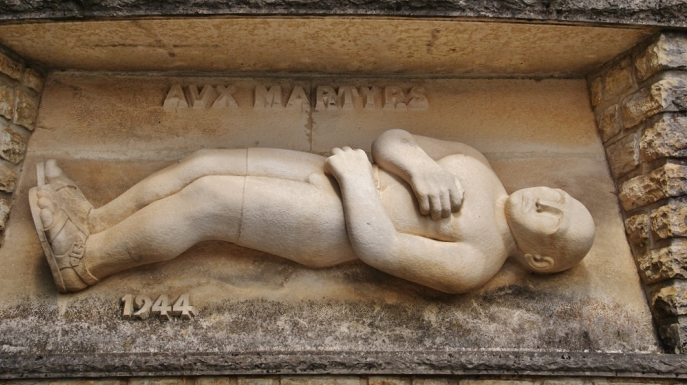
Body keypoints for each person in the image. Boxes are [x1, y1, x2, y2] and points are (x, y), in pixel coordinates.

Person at [29, 129, 596, 294]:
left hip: (335, 223)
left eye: (554, 217)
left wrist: (355, 181)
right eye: (561, 198)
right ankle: (98, 219)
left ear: (541, 258)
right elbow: (393, 139)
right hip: (337, 170)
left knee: (211, 201)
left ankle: (88, 261)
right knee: (201, 163)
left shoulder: (477, 260)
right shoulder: (479, 163)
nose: (547, 199)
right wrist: (421, 164)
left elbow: (381, 250)